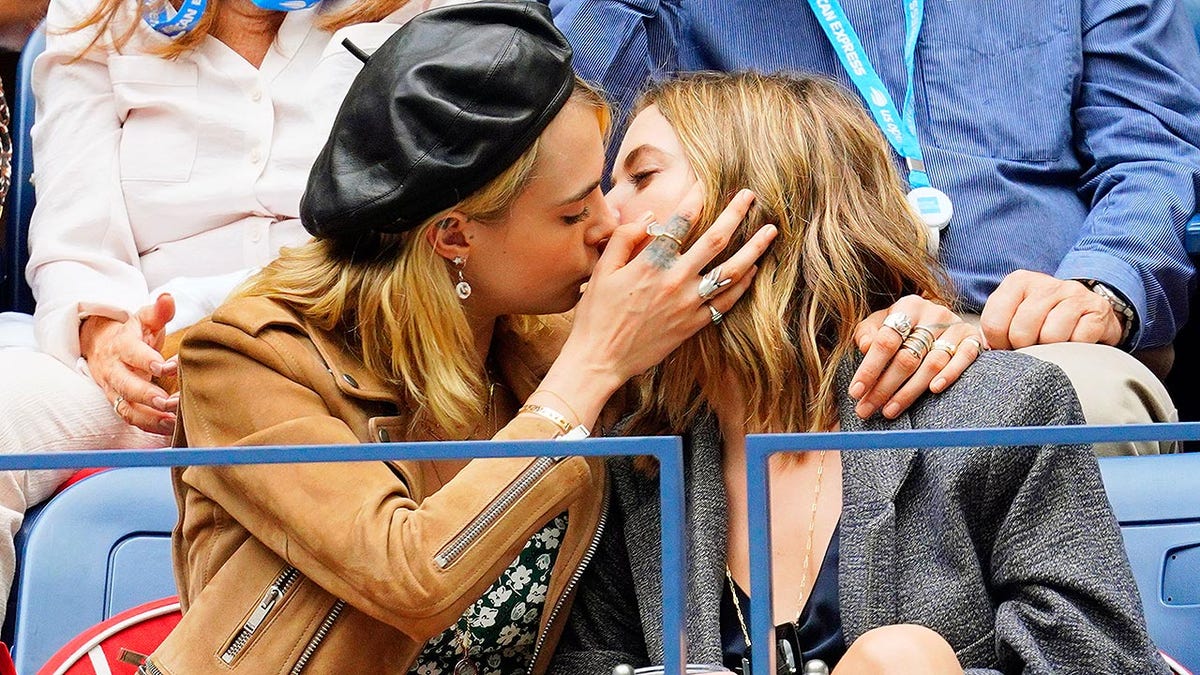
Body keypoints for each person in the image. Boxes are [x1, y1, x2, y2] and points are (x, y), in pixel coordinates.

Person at [141, 4, 778, 674]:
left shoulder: (545, 347)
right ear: (453, 235)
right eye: (571, 211)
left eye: (602, 187)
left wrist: (897, 324)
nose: (606, 221)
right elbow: (413, 575)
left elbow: (771, 357)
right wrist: (588, 371)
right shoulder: (247, 358)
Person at [549, 72, 1168, 674]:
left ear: (766, 202)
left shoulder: (998, 411)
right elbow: (589, 660)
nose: (606, 221)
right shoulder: (639, 457)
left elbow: (1100, 658)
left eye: (641, 176)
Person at [549, 0, 1200, 456]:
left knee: (1088, 397)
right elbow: (564, 158)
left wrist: (1101, 287)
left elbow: (1153, 154)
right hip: (786, 344)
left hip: (1018, 336)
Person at [0, 0, 470, 625]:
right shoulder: (97, 14)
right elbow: (72, 233)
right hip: (148, 372)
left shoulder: (434, 14)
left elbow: (418, 236)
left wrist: (209, 324)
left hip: (341, 361)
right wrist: (106, 336)